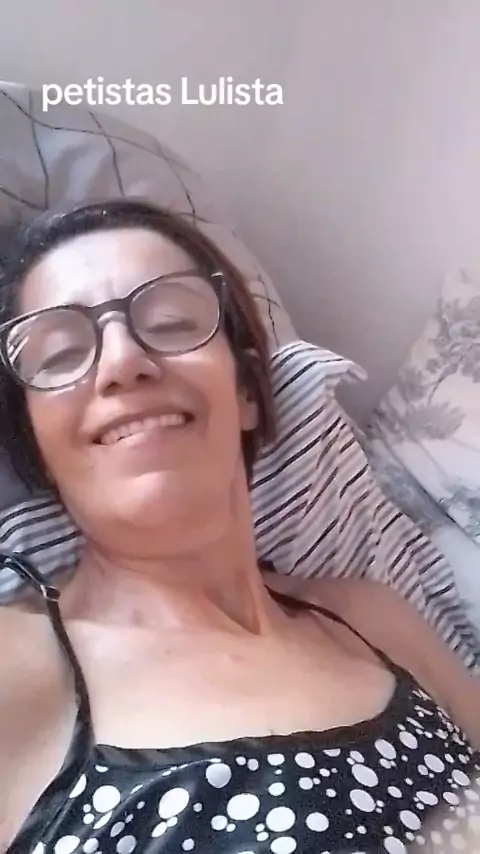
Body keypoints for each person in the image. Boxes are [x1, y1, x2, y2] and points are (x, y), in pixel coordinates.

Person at [0, 198, 478, 854]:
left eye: (171, 323)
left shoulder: (373, 621)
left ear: (247, 391)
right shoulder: (18, 663)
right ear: (36, 443)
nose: (123, 361)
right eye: (60, 355)